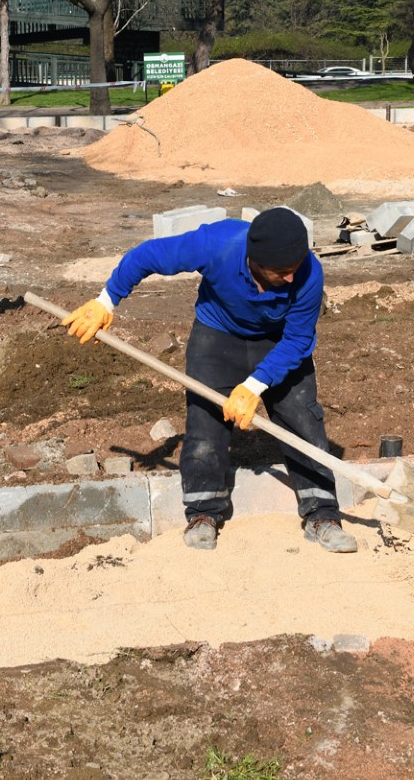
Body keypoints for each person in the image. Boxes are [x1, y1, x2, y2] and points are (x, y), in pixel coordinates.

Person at [62, 208, 357, 553]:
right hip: (217, 333)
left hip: (280, 342)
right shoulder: (218, 244)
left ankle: (322, 513)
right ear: (255, 262)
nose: (291, 279)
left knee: (303, 420)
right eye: (282, 273)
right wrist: (106, 301)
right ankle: (204, 513)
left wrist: (254, 385)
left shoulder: (309, 274)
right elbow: (146, 256)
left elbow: (296, 341)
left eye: (295, 270)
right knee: (205, 423)